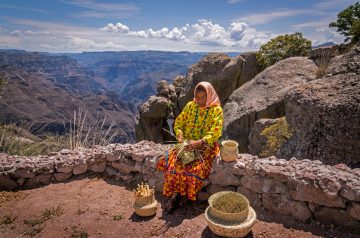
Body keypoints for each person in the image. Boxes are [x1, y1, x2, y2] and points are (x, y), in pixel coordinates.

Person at [156, 81, 223, 213]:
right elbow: (179, 123)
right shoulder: (190, 106)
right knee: (172, 165)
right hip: (186, 145)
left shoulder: (216, 110)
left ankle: (185, 197)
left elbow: (216, 131)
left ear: (209, 95)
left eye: (203, 97)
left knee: (194, 170)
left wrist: (199, 142)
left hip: (205, 146)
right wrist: (180, 134)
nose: (199, 100)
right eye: (197, 97)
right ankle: (177, 195)